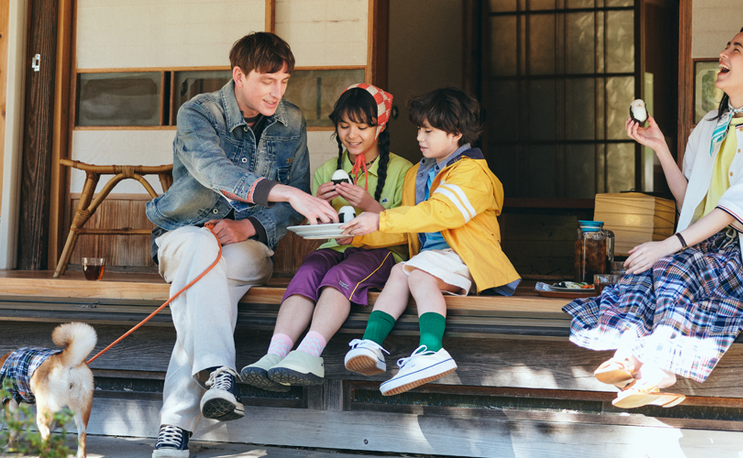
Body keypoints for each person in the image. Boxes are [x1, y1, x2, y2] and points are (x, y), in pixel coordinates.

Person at [563, 24, 743, 409]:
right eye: (726, 46)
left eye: (736, 49)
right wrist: (660, 148)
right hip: (703, 250)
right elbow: (690, 202)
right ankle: (632, 360)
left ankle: (658, 368)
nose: (723, 54)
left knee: (672, 265)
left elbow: (732, 212)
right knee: (646, 268)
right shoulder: (709, 126)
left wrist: (668, 245)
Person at [145, 32, 337, 458]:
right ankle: (214, 378)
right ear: (239, 75)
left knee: (201, 291)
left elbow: (292, 209)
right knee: (200, 250)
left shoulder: (292, 121)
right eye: (267, 81)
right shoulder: (199, 112)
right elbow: (215, 170)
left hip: (246, 248)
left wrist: (248, 227)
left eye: (283, 81)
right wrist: (286, 192)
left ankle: (188, 412)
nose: (276, 91)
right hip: (182, 235)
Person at [339, 87, 521, 396]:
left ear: (456, 134)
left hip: (466, 259)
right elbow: (408, 230)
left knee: (418, 274)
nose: (419, 138)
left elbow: (443, 212)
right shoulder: (417, 174)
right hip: (432, 259)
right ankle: (370, 344)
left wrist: (380, 219)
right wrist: (358, 233)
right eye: (419, 130)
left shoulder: (472, 172)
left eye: (428, 131)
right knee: (401, 271)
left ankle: (432, 350)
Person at [238, 83, 414, 391]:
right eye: (344, 126)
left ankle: (309, 353)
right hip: (336, 249)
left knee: (340, 274)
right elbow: (317, 230)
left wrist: (368, 205)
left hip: (383, 252)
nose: (352, 135)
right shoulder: (326, 171)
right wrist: (317, 206)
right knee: (309, 269)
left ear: (381, 126)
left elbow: (408, 231)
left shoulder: (404, 170)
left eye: (362, 127)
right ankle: (275, 354)